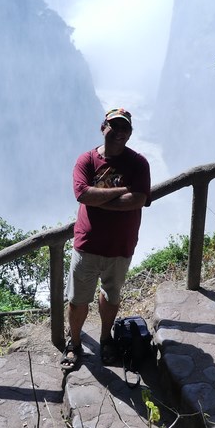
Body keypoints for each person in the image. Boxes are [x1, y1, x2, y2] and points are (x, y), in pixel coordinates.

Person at [62, 107, 151, 369]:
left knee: (111, 297)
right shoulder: (86, 160)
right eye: (114, 126)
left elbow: (138, 199)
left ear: (130, 133)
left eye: (124, 128)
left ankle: (105, 339)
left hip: (121, 247)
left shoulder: (138, 163)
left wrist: (100, 200)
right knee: (78, 300)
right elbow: (82, 194)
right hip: (87, 245)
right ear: (103, 127)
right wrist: (123, 191)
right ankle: (74, 343)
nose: (119, 132)